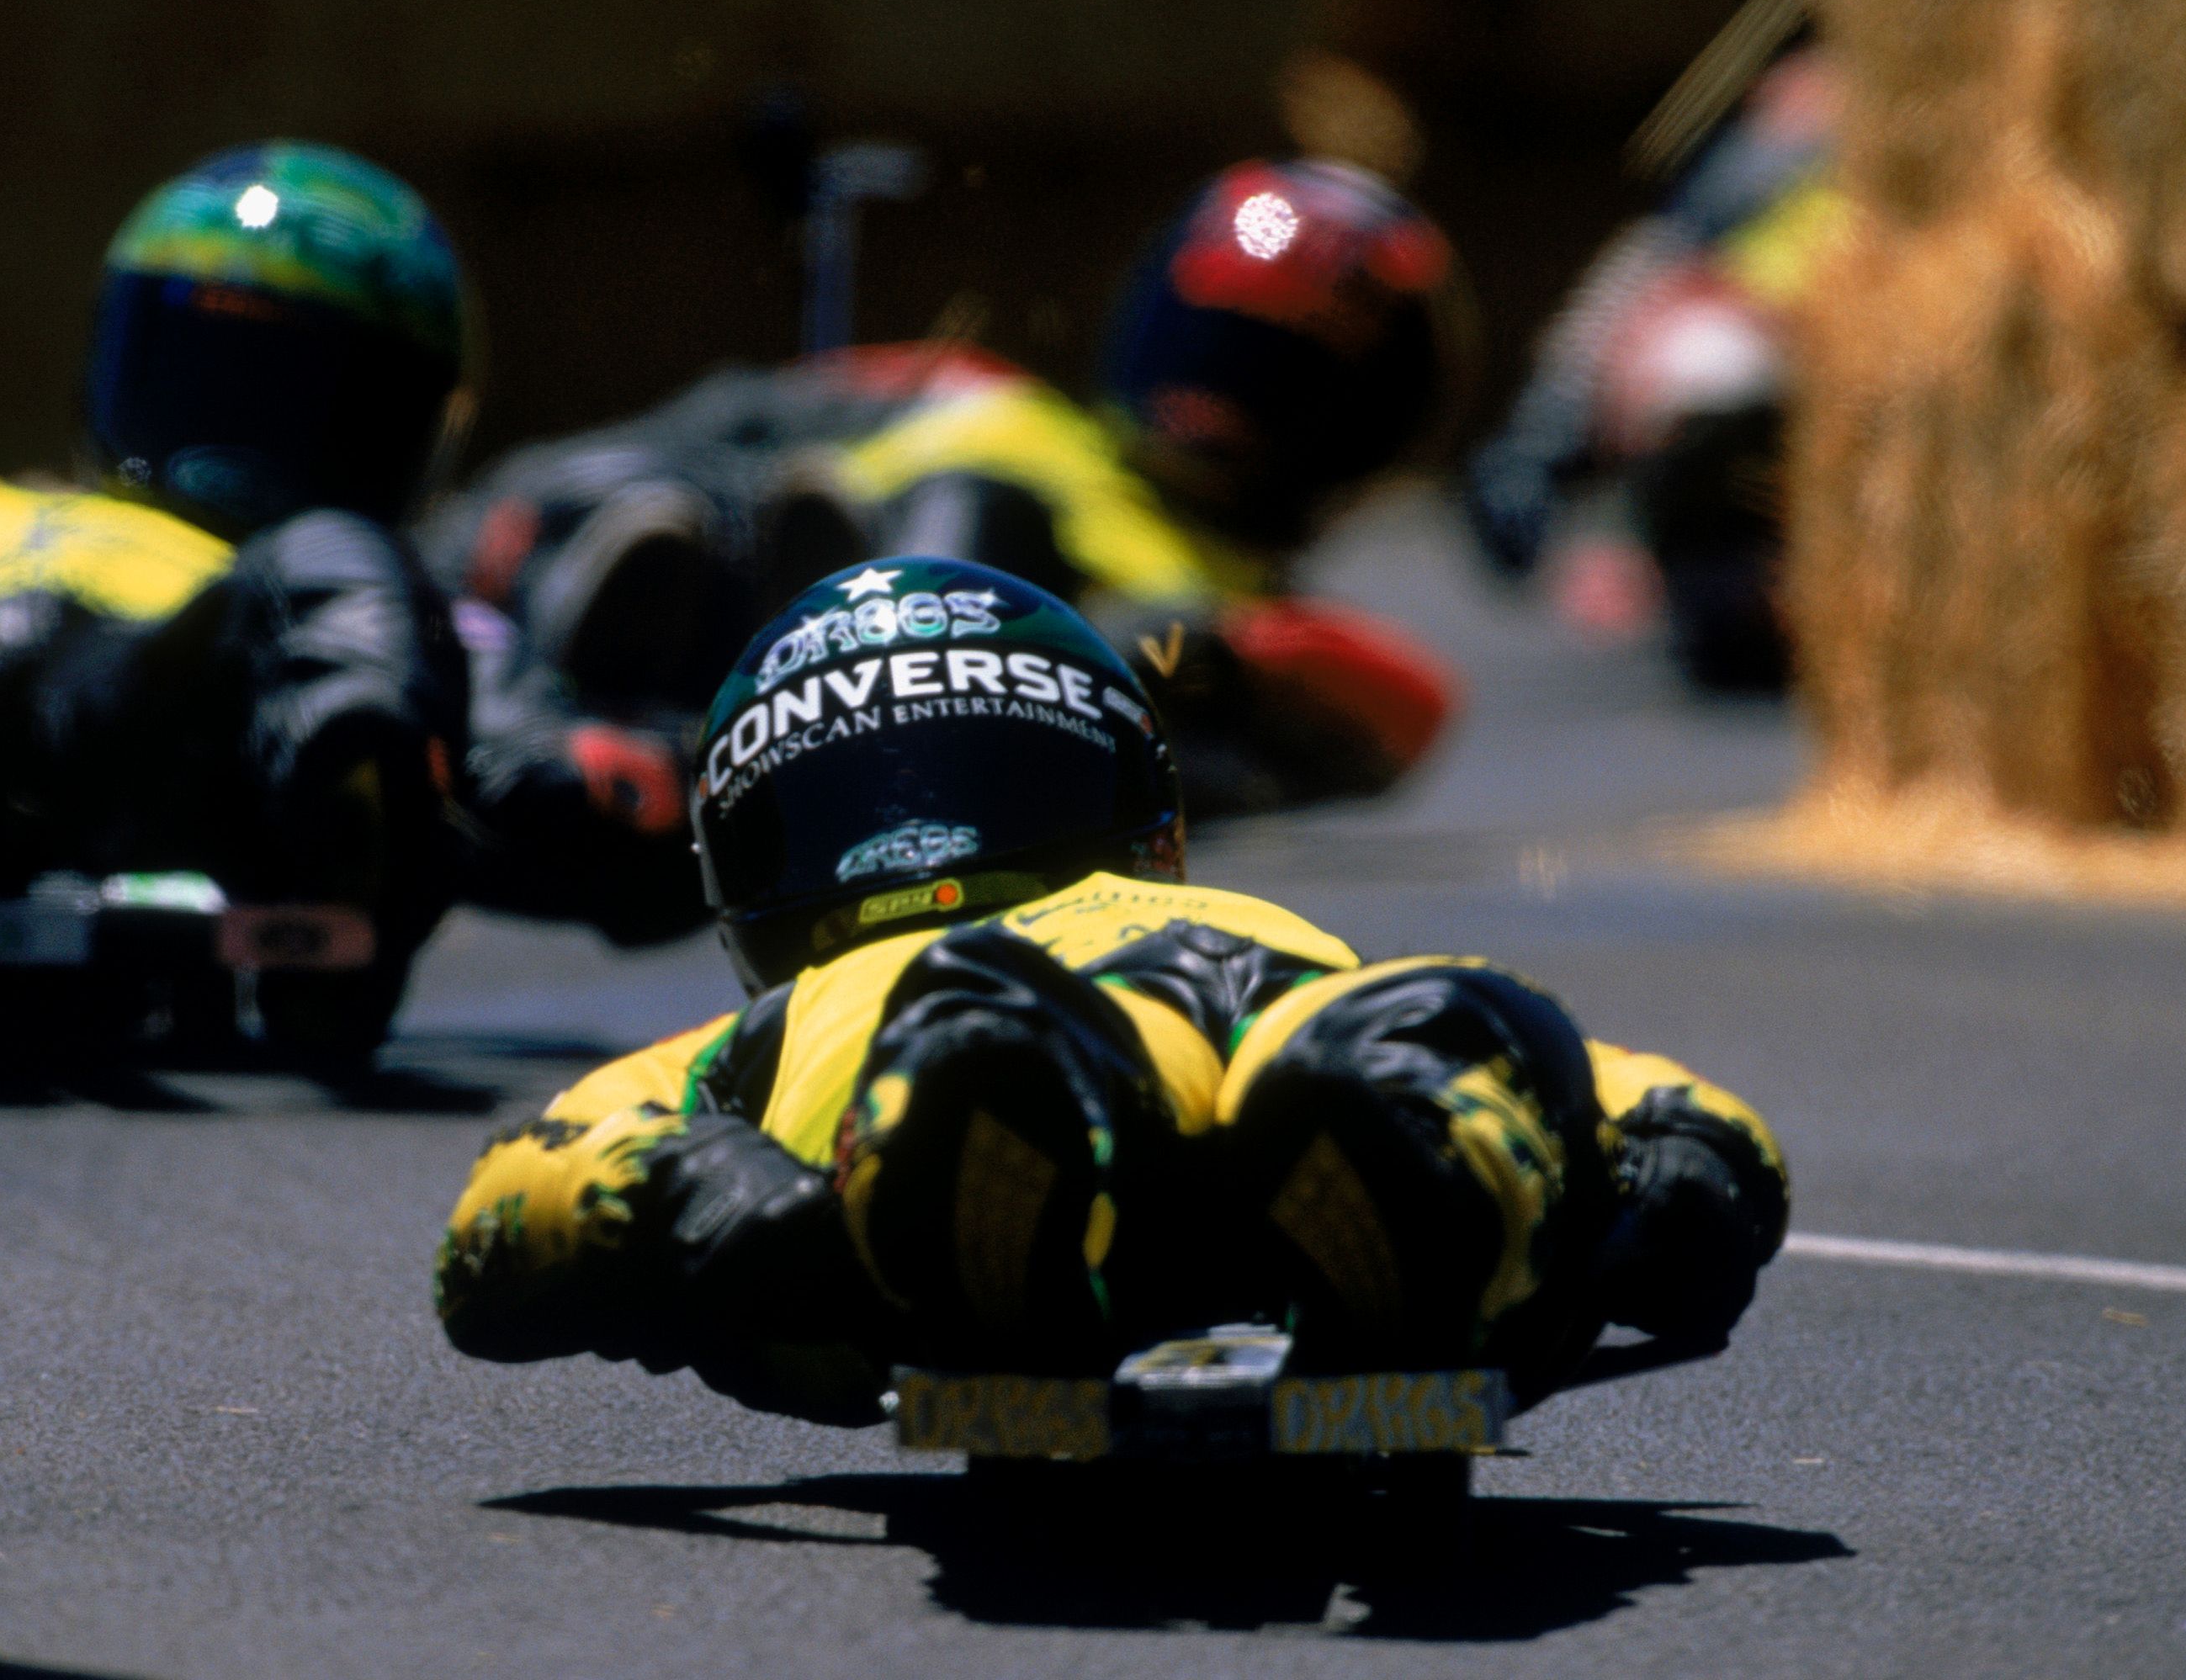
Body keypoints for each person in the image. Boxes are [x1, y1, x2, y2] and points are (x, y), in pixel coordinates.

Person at [433, 557, 1788, 1424]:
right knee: (1420, 1020)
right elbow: (514, 1210)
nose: (931, 840)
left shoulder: (758, 1025)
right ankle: (1063, 1134)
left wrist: (1685, 1168)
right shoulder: (783, 1028)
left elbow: (517, 1188)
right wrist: (1690, 1139)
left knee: (1412, 1029)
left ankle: (1313, 1145)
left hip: (1150, 1035)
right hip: (1154, 1025)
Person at [0, 141, 696, 1063]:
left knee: (345, 563)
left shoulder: (332, 584)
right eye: (201, 374)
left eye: (298, 401)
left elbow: (612, 799)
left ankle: (338, 847)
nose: (225, 442)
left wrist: (565, 789)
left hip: (181, 718)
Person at [421, 157, 1467, 821]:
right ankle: (686, 625)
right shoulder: (972, 392)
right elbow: (716, 417)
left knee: (986, 526)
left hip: (1002, 682)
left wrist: (1193, 647)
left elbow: (1411, 711)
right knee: (680, 509)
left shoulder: (1241, 594)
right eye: (1209, 347)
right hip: (722, 564)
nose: (1212, 405)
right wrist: (519, 517)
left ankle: (869, 645)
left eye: (1271, 379)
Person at [1463, 48, 1841, 692]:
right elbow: (1525, 460)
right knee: (1704, 358)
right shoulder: (1695, 230)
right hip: (1733, 395)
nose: (1797, 93)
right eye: (1788, 85)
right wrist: (1578, 549)